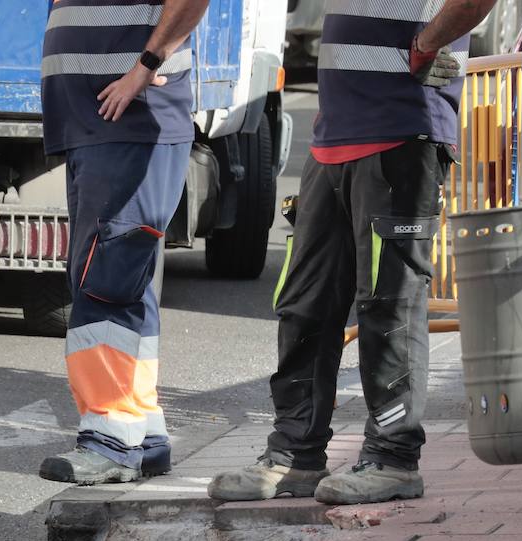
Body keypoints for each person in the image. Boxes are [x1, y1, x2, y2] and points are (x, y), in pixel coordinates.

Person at [210, 0, 495, 505]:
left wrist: (427, 45)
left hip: (400, 130)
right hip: (335, 136)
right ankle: (294, 455)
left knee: (389, 305)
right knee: (304, 305)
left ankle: (392, 458)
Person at [36, 0, 212, 487]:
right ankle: (142, 431)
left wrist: (146, 65)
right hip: (98, 126)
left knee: (105, 282)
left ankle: (111, 439)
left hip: (131, 122)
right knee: (121, 280)